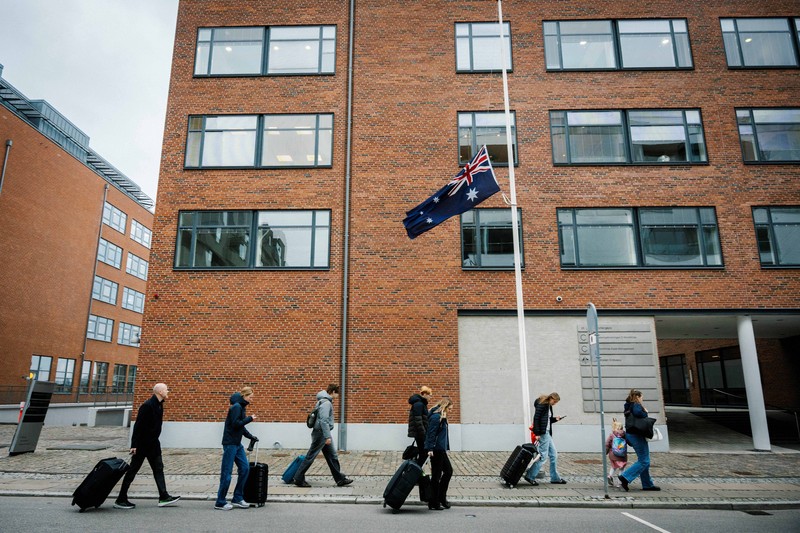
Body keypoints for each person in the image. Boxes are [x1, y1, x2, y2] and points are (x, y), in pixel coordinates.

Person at [114, 383, 180, 509]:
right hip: (143, 445)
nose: (168, 391)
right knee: (132, 471)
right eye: (166, 389)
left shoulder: (159, 405)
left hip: (154, 444)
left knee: (158, 468)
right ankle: (121, 499)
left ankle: (164, 496)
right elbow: (138, 426)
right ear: (160, 391)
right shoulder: (147, 406)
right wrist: (134, 445)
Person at [293, 384, 353, 488]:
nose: (338, 396)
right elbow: (323, 421)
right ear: (333, 392)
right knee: (310, 456)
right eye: (337, 393)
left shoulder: (323, 401)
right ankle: (298, 478)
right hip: (321, 434)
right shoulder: (326, 403)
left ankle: (340, 479)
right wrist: (327, 436)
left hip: (322, 433)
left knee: (332, 456)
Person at [215, 386, 258, 510]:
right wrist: (249, 419)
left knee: (245, 468)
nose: (252, 399)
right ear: (244, 396)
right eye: (250, 397)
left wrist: (251, 437)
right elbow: (235, 425)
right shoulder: (236, 407)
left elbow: (241, 427)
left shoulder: (241, 407)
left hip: (237, 444)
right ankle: (220, 501)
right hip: (230, 444)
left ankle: (237, 497)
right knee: (227, 473)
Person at [619, 389, 661, 492]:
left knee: (644, 459)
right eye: (641, 397)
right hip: (636, 435)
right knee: (644, 461)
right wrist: (645, 412)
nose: (642, 399)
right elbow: (639, 413)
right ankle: (625, 477)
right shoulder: (636, 405)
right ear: (637, 397)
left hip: (631, 434)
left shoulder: (628, 405)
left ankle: (647, 484)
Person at [523, 392, 566, 485]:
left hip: (547, 433)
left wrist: (555, 419)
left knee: (554, 455)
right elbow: (536, 419)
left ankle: (555, 478)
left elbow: (546, 420)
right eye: (555, 402)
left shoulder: (548, 406)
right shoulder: (542, 405)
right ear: (551, 398)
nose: (555, 404)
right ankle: (530, 476)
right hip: (543, 433)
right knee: (543, 456)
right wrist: (537, 433)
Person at [425, 397, 453, 510]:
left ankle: (441, 498)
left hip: (440, 449)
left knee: (448, 471)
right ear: (444, 407)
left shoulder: (442, 417)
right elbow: (431, 433)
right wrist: (430, 449)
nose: (450, 411)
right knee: (436, 476)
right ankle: (434, 502)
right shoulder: (436, 417)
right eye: (450, 409)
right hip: (436, 450)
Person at [407, 386, 432, 466]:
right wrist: (424, 434)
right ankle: (417, 473)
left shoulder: (421, 404)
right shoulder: (419, 404)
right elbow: (418, 422)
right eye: (430, 395)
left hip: (420, 433)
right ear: (424, 394)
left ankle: (418, 473)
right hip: (420, 434)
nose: (430, 397)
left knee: (423, 454)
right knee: (423, 454)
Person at [605, 418, 628, 487]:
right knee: (621, 468)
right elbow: (629, 442)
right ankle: (619, 483)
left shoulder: (612, 435)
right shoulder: (624, 435)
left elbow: (607, 444)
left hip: (613, 454)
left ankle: (610, 476)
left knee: (614, 466)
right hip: (622, 455)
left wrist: (606, 452)